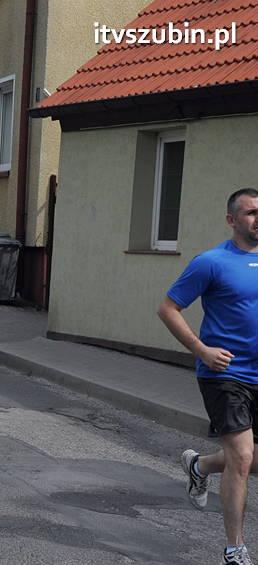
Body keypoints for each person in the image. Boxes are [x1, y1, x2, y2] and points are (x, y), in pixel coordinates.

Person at [158, 187, 258, 565]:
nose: (257, 217)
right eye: (249, 212)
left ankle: (199, 465)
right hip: (226, 373)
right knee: (243, 458)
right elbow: (168, 308)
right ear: (232, 220)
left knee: (246, 460)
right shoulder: (211, 262)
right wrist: (202, 350)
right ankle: (235, 550)